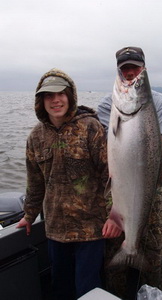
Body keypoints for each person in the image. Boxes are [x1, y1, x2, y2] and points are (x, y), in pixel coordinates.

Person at [16, 68, 119, 300]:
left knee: (88, 288)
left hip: (91, 229)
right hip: (55, 229)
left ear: (70, 96)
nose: (55, 100)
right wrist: (29, 214)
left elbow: (109, 176)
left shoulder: (91, 127)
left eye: (61, 94)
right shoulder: (35, 137)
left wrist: (114, 215)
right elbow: (35, 182)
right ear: (40, 101)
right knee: (59, 286)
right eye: (49, 96)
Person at [97, 47, 162, 299]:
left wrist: (145, 126)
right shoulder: (105, 107)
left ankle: (154, 294)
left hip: (153, 185)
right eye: (125, 69)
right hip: (119, 185)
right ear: (118, 72)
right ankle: (116, 291)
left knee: (156, 253)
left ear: (144, 69)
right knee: (113, 249)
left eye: (135, 68)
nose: (130, 74)